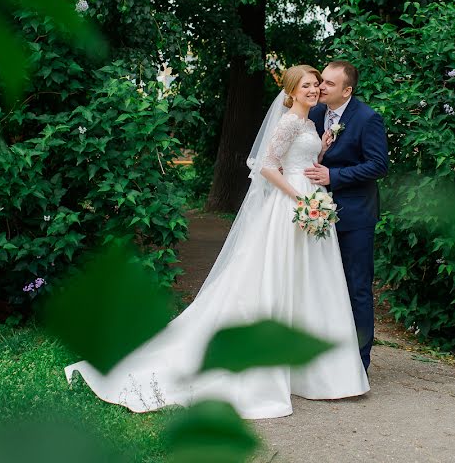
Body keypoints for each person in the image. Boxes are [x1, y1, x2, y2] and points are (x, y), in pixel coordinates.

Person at [64, 65, 369, 420]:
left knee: (307, 282)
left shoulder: (309, 122)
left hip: (310, 200)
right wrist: (298, 198)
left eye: (316, 85)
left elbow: (299, 161)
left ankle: (310, 371)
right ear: (291, 89)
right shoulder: (288, 121)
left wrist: (321, 153)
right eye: (307, 85)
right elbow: (266, 165)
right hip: (292, 205)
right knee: (277, 278)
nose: (314, 90)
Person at [304, 60, 389, 371]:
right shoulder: (314, 114)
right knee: (322, 285)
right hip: (315, 214)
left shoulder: (367, 119)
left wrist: (333, 176)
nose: (320, 87)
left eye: (328, 83)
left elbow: (378, 166)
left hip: (355, 217)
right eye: (320, 81)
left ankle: (359, 363)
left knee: (357, 288)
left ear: (347, 90)